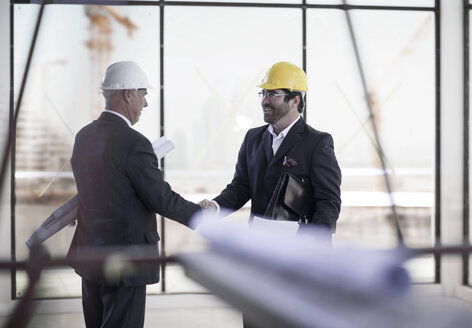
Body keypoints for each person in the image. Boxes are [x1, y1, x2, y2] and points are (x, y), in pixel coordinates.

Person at [67, 61, 201, 328]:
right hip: (125, 261)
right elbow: (160, 198)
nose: (145, 104)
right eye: (143, 94)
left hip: (90, 254)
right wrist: (201, 214)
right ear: (128, 94)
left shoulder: (84, 136)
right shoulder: (134, 143)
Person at [200, 61, 342, 234]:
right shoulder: (253, 139)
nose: (264, 101)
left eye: (273, 94)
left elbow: (328, 201)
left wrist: (314, 243)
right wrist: (215, 207)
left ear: (294, 101)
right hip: (262, 245)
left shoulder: (317, 143)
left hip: (300, 248)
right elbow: (241, 187)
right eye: (263, 93)